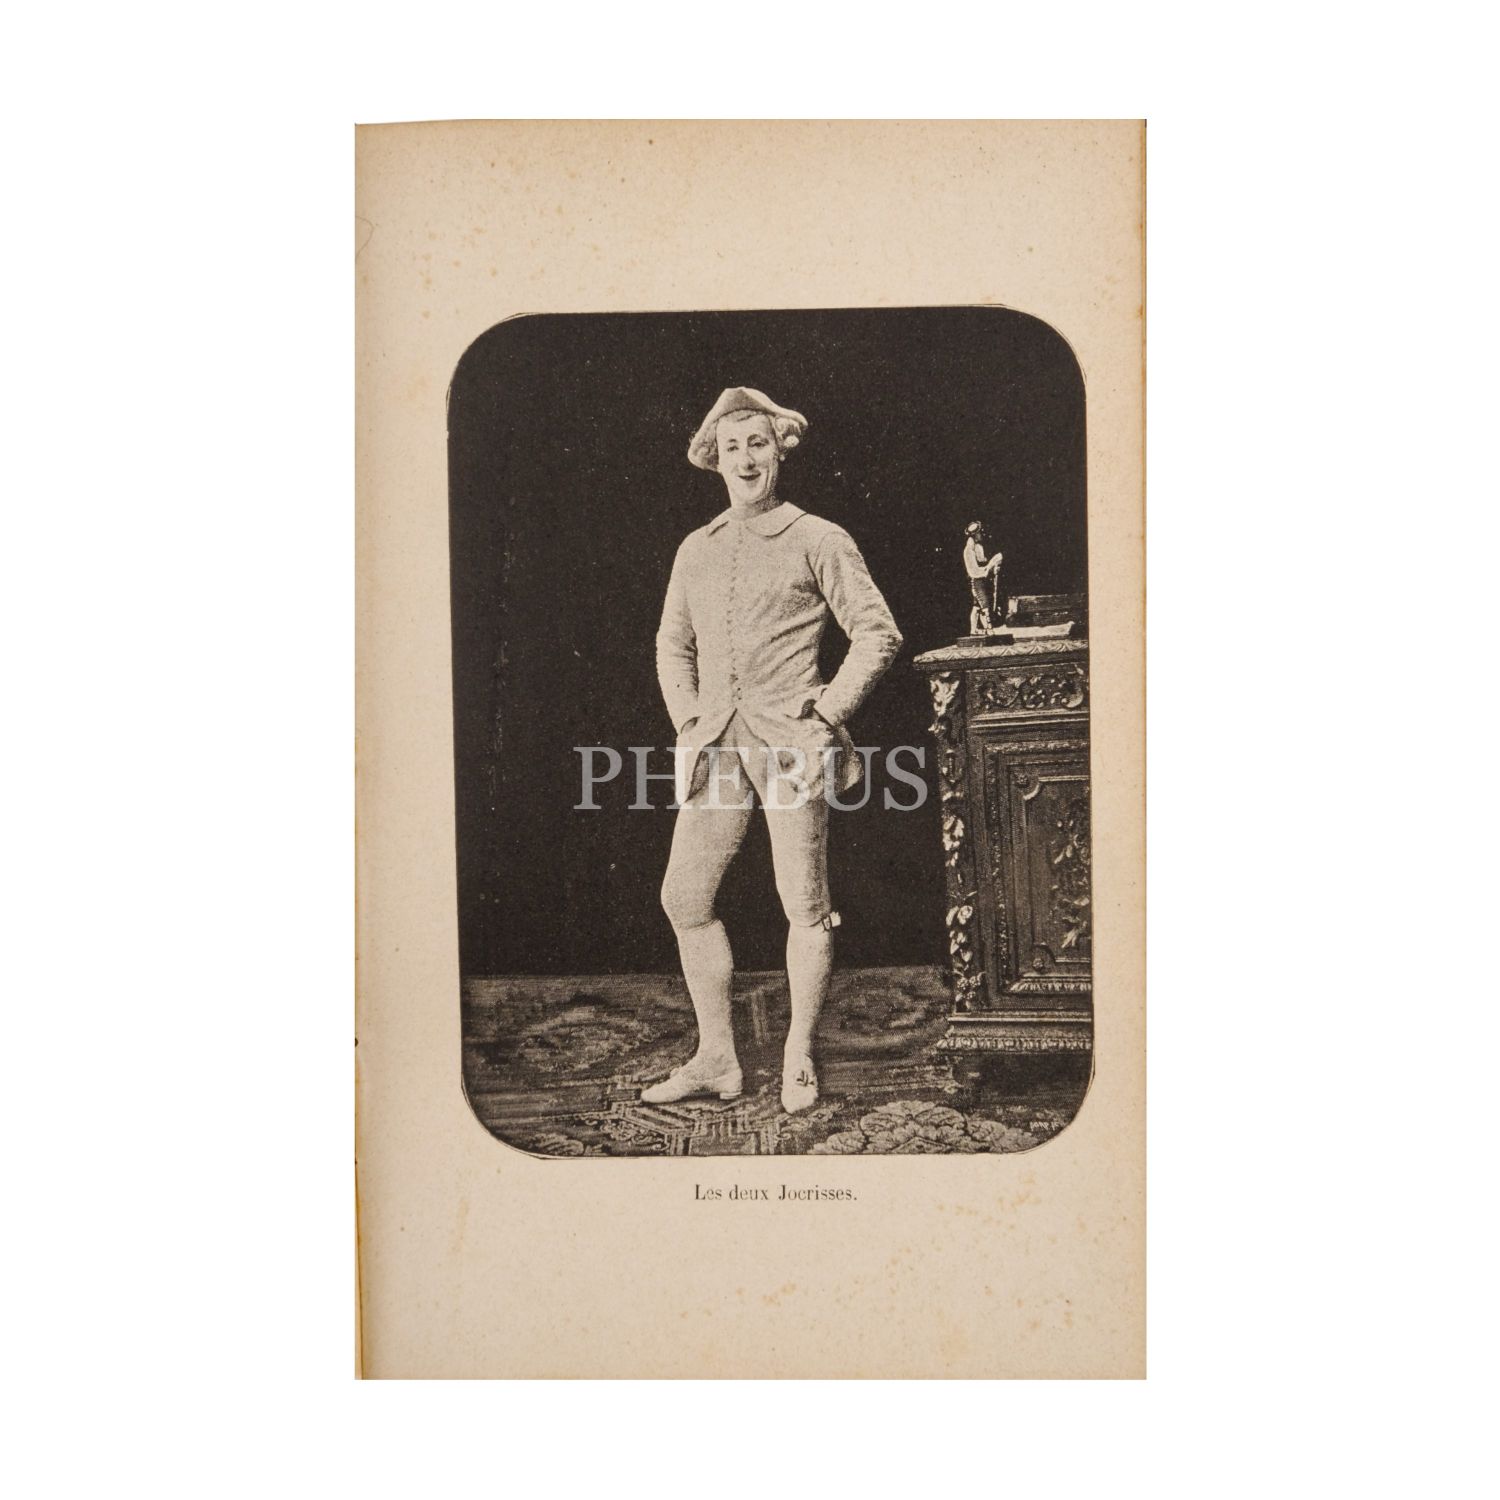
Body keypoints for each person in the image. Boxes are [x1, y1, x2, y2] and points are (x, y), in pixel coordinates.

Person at [644, 387, 902, 1113]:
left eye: (758, 442)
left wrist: (827, 712)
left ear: (779, 448)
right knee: (684, 897)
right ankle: (718, 1058)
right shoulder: (697, 548)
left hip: (792, 746)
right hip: (717, 748)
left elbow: (877, 633)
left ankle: (798, 1057)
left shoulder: (818, 537)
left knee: (804, 905)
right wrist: (689, 719)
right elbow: (671, 644)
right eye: (732, 447)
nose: (746, 458)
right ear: (715, 458)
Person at [963, 520, 1004, 633]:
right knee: (984, 605)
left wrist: (992, 567)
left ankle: (974, 629)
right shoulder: (969, 551)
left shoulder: (978, 547)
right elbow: (974, 571)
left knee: (977, 606)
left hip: (982, 580)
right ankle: (989, 628)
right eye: (980, 533)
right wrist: (988, 569)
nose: (981, 535)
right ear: (975, 535)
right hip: (977, 581)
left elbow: (983, 562)